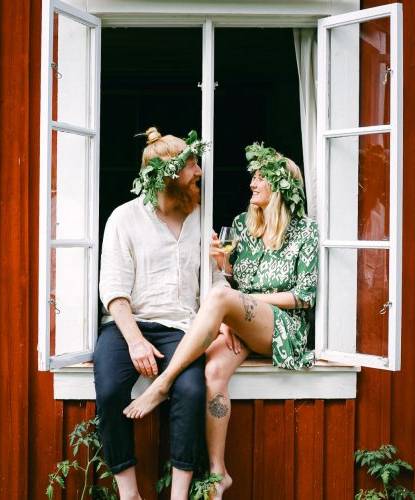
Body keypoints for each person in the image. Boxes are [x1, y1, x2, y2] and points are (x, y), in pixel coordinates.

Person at [124, 142, 319, 499]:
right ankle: (218, 474)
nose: (252, 183)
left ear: (280, 186)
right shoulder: (244, 225)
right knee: (213, 372)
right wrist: (222, 266)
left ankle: (163, 383)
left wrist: (236, 304)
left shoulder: (304, 232)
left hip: (283, 327)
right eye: (254, 177)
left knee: (218, 296)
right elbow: (236, 282)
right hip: (244, 320)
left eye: (260, 178)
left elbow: (303, 296)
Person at [94, 127, 228, 500]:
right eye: (191, 166)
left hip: (182, 329)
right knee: (108, 391)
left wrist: (224, 314)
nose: (199, 172)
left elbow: (216, 282)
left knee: (189, 389)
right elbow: (114, 292)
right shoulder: (123, 219)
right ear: (168, 175)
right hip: (127, 327)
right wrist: (135, 341)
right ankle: (129, 494)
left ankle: (179, 495)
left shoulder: (201, 217)